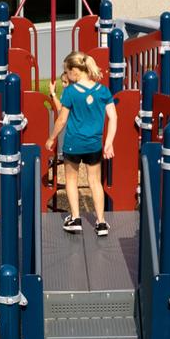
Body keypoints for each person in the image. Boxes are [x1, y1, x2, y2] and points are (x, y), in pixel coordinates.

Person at [45, 51, 116, 237]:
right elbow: (114, 117)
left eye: (67, 72)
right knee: (95, 182)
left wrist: (52, 138)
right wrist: (109, 142)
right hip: (94, 145)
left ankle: (75, 219)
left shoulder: (70, 92)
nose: (66, 76)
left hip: (73, 144)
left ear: (75, 70)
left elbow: (61, 120)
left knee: (71, 180)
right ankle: (101, 223)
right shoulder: (103, 91)